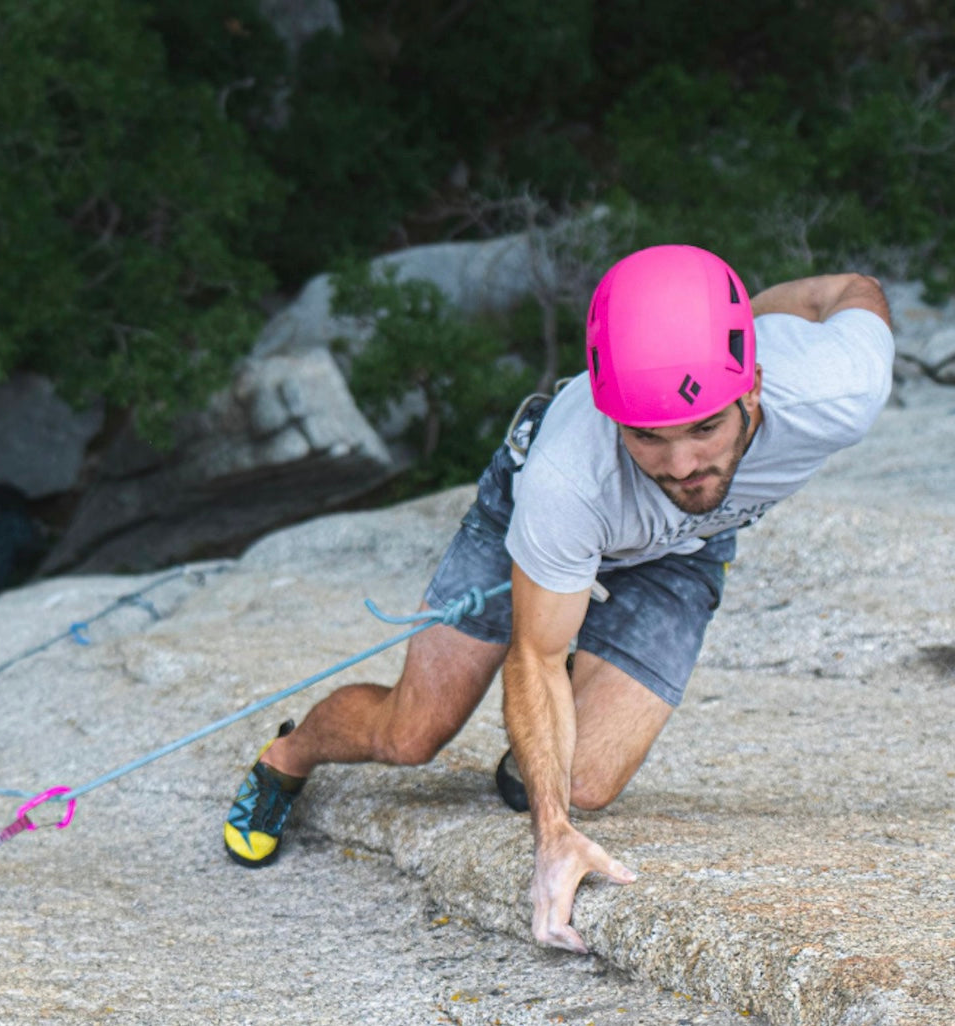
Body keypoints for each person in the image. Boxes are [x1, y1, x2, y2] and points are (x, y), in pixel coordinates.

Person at [223, 244, 894, 953]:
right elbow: (536, 654)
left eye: (705, 428)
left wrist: (747, 318)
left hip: (682, 550)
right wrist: (554, 835)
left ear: (751, 384)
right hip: (551, 526)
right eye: (647, 437)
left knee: (587, 780)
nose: (683, 465)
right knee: (412, 733)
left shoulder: (836, 388)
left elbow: (851, 289)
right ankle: (288, 757)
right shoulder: (568, 476)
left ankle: (536, 749)